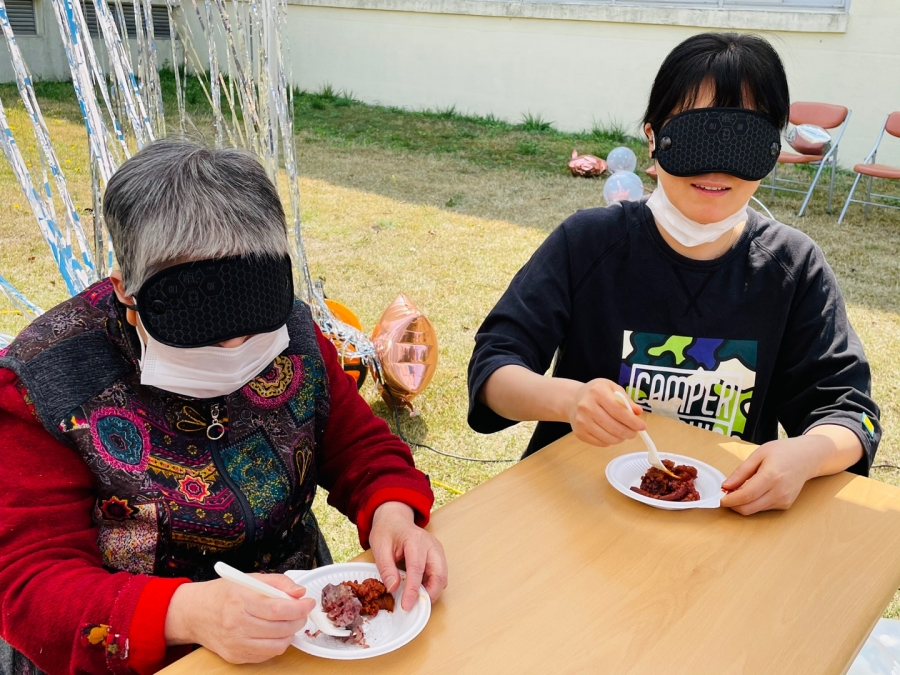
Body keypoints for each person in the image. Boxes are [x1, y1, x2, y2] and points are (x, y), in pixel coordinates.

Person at [0, 139, 447, 675]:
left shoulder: (293, 332)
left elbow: (356, 444)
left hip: (300, 627)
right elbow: (29, 581)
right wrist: (186, 611)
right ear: (127, 293)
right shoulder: (44, 382)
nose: (238, 353)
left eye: (254, 328)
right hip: (141, 652)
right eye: (202, 335)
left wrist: (392, 512)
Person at [467, 32, 881, 516]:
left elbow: (852, 414)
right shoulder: (588, 243)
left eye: (744, 140)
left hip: (721, 520)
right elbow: (493, 370)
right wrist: (568, 399)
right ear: (652, 138)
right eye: (697, 135)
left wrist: (806, 456)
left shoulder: (793, 268)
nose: (717, 167)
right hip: (574, 512)